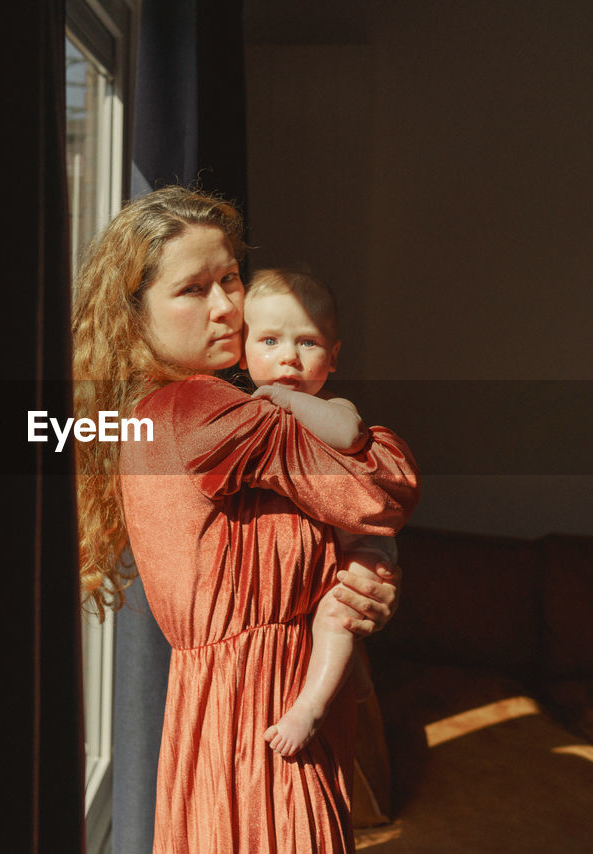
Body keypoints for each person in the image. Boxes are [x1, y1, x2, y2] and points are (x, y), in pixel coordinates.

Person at [73, 185, 420, 854]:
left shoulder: (164, 406)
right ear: (134, 313)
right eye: (194, 290)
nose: (228, 306)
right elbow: (381, 494)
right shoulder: (205, 412)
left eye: (230, 277)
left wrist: (356, 581)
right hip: (262, 708)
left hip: (228, 706)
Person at [241, 268, 401, 758]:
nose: (288, 355)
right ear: (243, 349)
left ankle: (310, 706)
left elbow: (349, 434)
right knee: (325, 617)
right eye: (269, 340)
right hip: (310, 558)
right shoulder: (240, 410)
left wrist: (287, 399)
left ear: (333, 358)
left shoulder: (330, 404)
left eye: (307, 343)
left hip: (360, 545)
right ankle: (345, 672)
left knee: (337, 613)